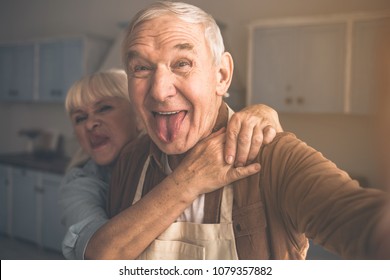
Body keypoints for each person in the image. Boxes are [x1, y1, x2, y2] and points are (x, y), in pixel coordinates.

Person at [107, 1, 390, 260]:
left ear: (222, 75)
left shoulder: (274, 157)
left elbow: (361, 222)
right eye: (141, 68)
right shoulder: (131, 159)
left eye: (182, 64)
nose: (159, 91)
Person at [59, 69, 283, 259]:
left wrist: (262, 114)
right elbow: (100, 256)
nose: (90, 124)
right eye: (79, 118)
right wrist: (191, 179)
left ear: (140, 113)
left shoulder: (175, 155)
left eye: (103, 108)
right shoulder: (80, 184)